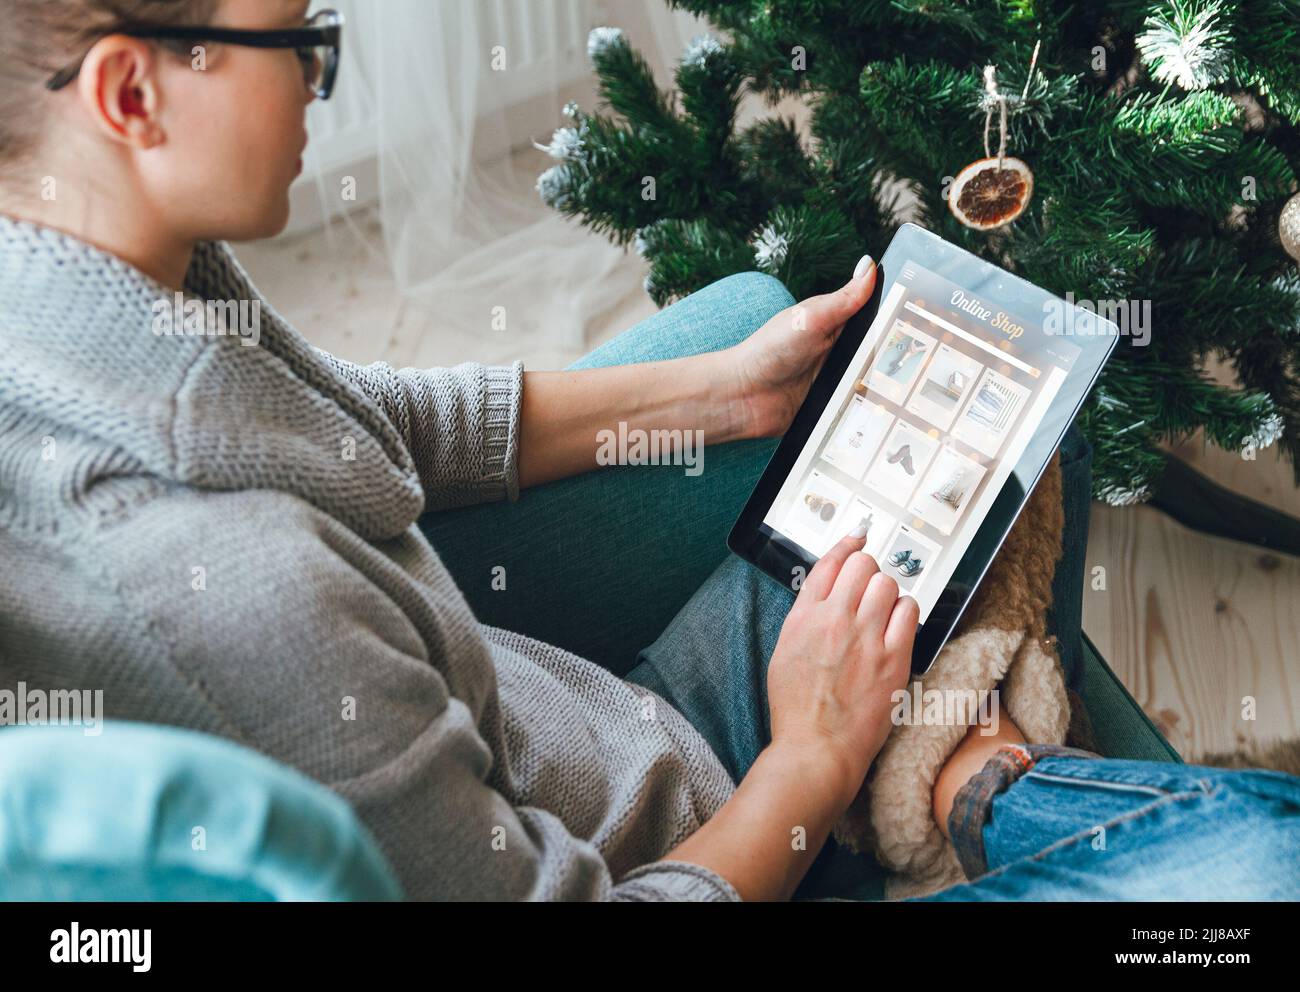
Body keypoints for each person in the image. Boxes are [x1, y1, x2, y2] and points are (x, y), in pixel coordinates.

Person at [0, 0, 1296, 903]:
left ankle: (967, 789)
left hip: (600, 724)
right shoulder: (230, 603)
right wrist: (814, 756)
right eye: (302, 44)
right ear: (129, 91)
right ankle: (966, 794)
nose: (318, 84)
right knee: (1257, 872)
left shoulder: (85, 288)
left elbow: (354, 420)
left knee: (990, 440)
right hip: (687, 850)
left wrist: (718, 395)